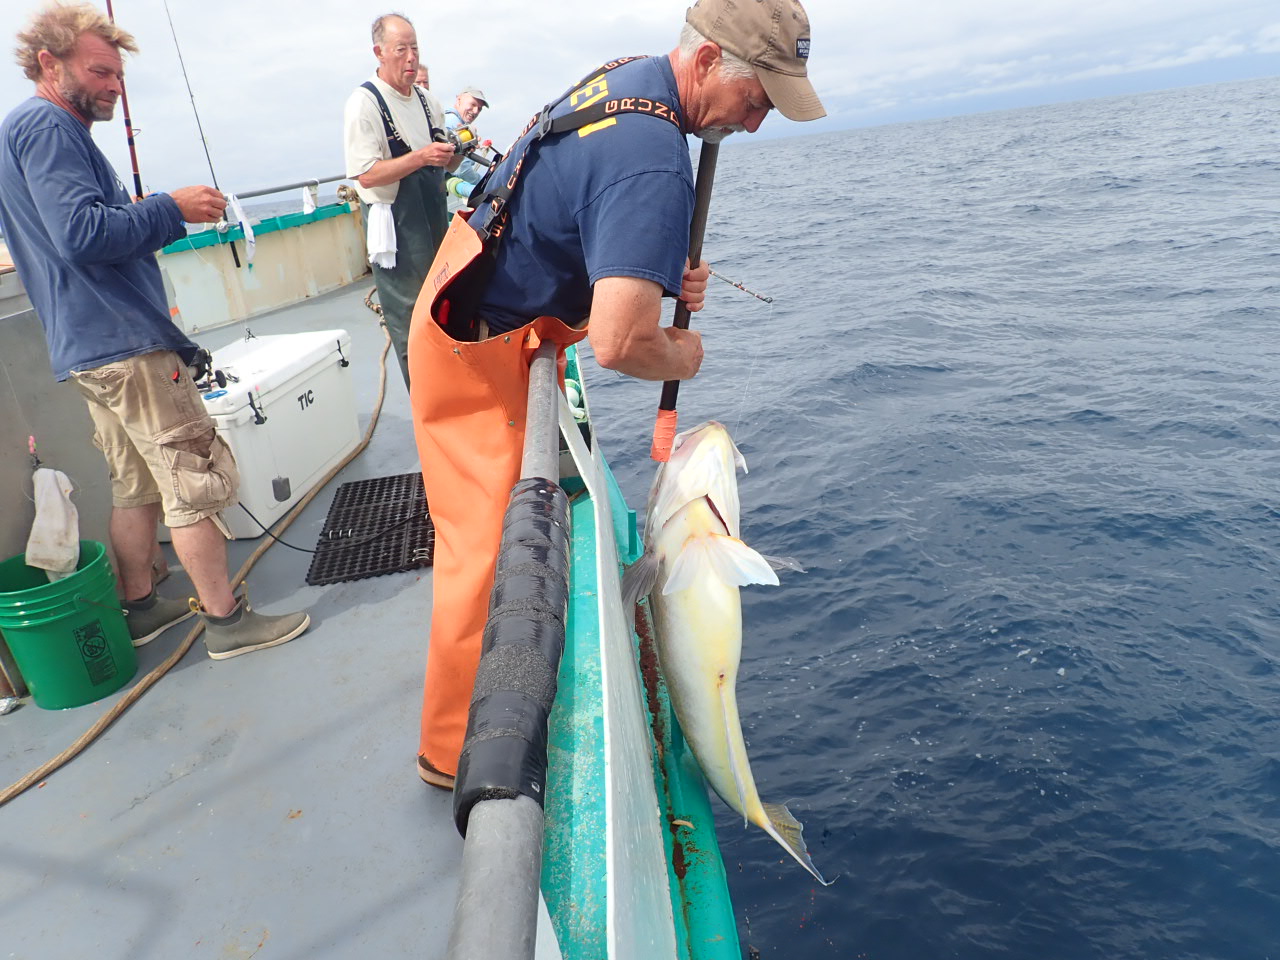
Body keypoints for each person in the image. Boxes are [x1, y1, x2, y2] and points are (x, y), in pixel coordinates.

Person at [405, 0, 825, 788]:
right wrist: (685, 353)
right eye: (758, 100)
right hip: (474, 352)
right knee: (489, 554)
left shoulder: (633, 83)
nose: (758, 124)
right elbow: (622, 341)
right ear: (705, 66)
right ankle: (455, 754)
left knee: (495, 541)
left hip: (482, 314)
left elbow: (582, 222)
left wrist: (662, 268)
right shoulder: (655, 157)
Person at [0, 3, 311, 659]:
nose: (115, 85)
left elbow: (73, 231)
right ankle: (228, 625)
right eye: (100, 71)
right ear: (49, 63)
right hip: (124, 345)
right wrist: (172, 209)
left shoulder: (26, 132)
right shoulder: (48, 128)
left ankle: (139, 606)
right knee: (188, 480)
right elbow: (80, 235)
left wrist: (144, 214)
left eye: (118, 74)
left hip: (87, 347)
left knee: (133, 481)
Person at [343, 13, 457, 391]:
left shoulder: (428, 102)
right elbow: (366, 175)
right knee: (411, 321)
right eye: (401, 49)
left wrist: (451, 153)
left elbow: (444, 158)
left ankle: (456, 390)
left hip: (434, 221)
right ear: (379, 53)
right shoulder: (365, 104)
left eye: (415, 48)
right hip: (396, 230)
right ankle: (429, 408)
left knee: (445, 303)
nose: (410, 58)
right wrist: (422, 157)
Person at [442, 86, 490, 193]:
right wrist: (487, 186)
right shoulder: (453, 123)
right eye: (473, 105)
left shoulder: (448, 119)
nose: (476, 111)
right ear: (459, 100)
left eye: (479, 108)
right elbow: (463, 170)